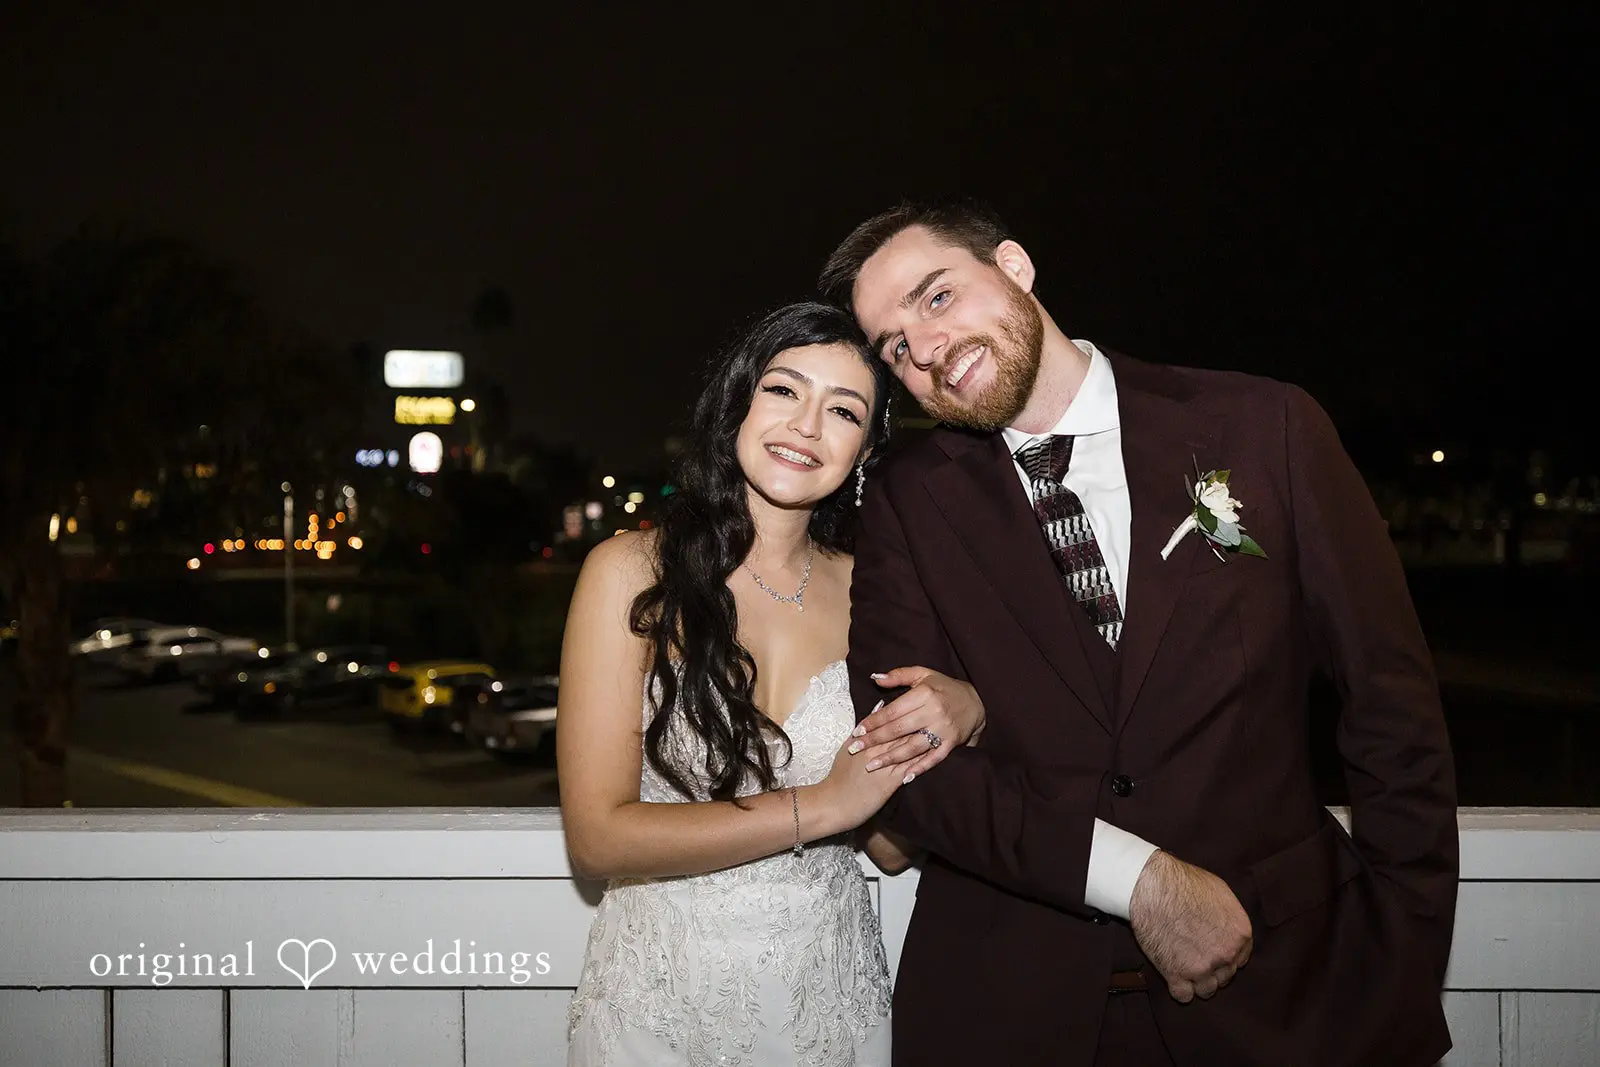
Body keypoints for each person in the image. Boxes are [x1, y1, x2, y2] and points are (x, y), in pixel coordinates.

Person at [819, 201, 1459, 1066]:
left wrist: (1405, 963)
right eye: (894, 346)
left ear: (1014, 265)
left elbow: (1393, 711)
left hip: (1287, 1001)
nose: (925, 350)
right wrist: (1141, 880)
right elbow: (903, 767)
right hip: (1013, 1011)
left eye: (937, 299)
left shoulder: (1263, 427)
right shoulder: (905, 498)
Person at [558, 301, 983, 1066]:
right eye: (785, 390)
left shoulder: (878, 594)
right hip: (658, 1008)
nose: (807, 425)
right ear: (738, 403)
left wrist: (967, 712)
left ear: (865, 449)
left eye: (844, 409)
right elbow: (596, 838)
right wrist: (823, 804)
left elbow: (889, 845)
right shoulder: (627, 573)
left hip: (830, 1003)